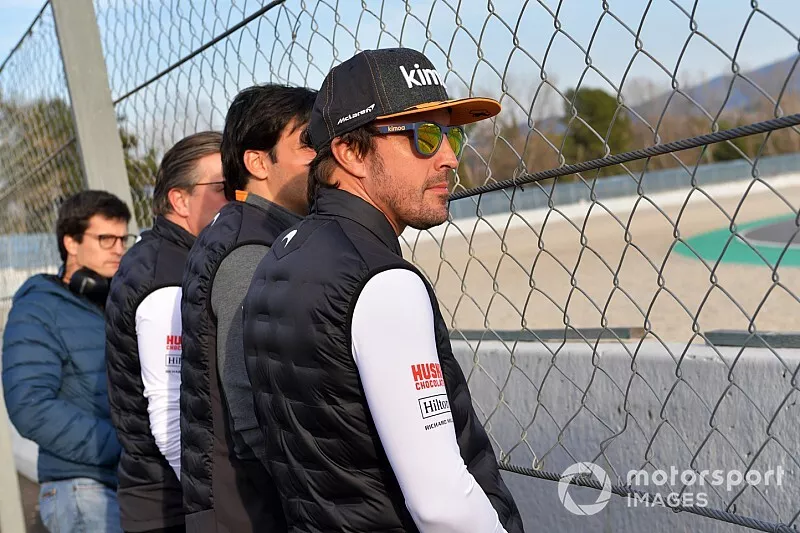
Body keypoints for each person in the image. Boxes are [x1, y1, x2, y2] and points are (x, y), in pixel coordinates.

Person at [242, 48, 524, 532]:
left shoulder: (280, 254)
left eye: (451, 133)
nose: (451, 158)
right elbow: (441, 504)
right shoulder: (382, 282)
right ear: (351, 152)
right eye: (424, 136)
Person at [180, 84, 316, 533]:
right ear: (258, 162)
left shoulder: (236, 228)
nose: (326, 154)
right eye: (308, 143)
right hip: (253, 511)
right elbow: (250, 404)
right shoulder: (252, 249)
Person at [105, 132, 227, 533]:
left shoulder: (162, 258)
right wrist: (220, 510)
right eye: (224, 187)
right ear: (179, 200)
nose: (237, 198)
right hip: (173, 509)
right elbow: (171, 420)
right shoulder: (169, 281)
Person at [3, 190, 134, 532]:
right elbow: (30, 407)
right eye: (106, 238)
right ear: (71, 243)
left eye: (123, 238)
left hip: (122, 486)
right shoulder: (37, 309)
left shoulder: (112, 302)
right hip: (81, 490)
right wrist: (123, 446)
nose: (119, 248)